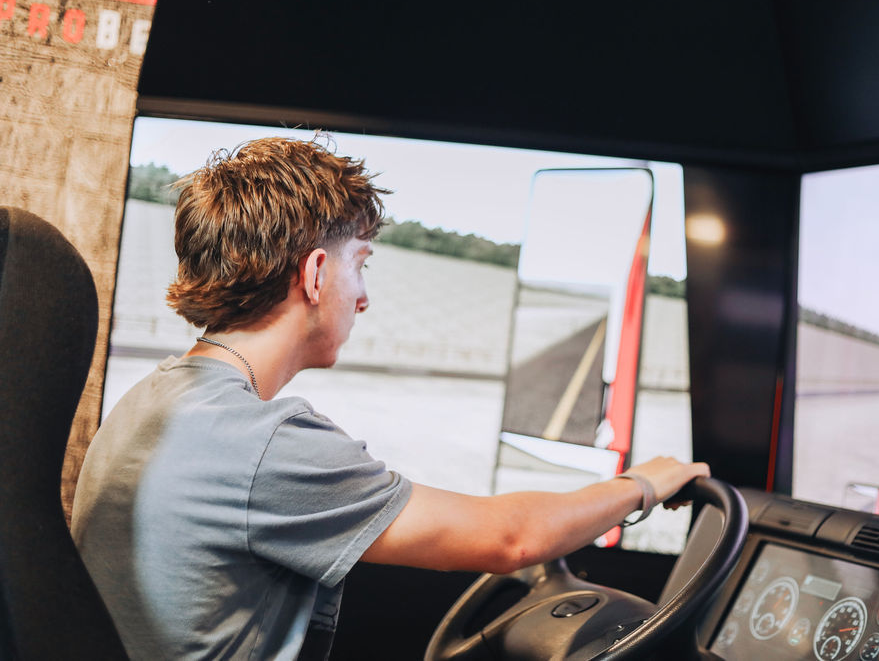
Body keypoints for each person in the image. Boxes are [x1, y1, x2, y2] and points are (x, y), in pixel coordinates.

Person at [71, 135, 710, 660]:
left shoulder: (150, 400)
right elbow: (510, 540)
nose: (365, 295)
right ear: (317, 274)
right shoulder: (260, 439)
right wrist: (643, 483)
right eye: (362, 263)